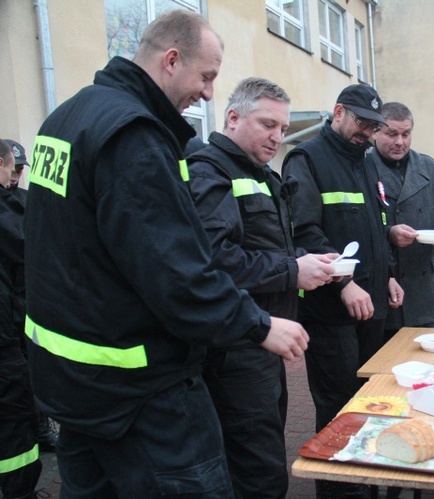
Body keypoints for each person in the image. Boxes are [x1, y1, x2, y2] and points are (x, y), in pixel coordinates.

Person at [23, 10, 308, 497]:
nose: (209, 93)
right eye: (207, 76)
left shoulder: (68, 116)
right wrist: (258, 325)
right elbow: (178, 273)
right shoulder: (135, 137)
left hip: (70, 383)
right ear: (171, 60)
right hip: (137, 391)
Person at [187, 77, 336, 499]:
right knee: (259, 470)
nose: (277, 136)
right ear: (233, 118)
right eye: (268, 124)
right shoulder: (211, 172)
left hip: (261, 342)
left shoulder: (261, 174)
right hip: (234, 348)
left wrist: (313, 260)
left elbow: (267, 245)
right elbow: (214, 260)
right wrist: (292, 270)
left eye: (284, 129)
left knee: (263, 450)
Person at [282, 83, 403, 498]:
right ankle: (338, 491)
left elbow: (376, 226)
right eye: (361, 122)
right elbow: (305, 231)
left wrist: (387, 273)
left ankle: (364, 482)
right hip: (332, 309)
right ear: (338, 113)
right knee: (337, 408)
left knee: (369, 401)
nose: (367, 132)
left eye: (373, 126)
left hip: (371, 306)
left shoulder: (367, 163)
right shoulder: (306, 159)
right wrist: (345, 283)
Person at [367, 102, 434, 341]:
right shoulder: (362, 168)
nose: (400, 141)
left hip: (426, 294)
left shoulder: (430, 168)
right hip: (383, 291)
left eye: (406, 134)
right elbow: (355, 228)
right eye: (392, 134)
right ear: (375, 132)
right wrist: (389, 233)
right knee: (387, 372)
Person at [3, 139, 59, 453]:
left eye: (21, 170)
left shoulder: (25, 199)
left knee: (32, 373)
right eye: (14, 168)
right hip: (10, 309)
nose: (16, 176)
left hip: (28, 304)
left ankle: (40, 429)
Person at [0, 140, 41, 499]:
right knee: (14, 425)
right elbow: (27, 244)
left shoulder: (16, 202)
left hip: (16, 327)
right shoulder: (8, 210)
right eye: (13, 169)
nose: (17, 177)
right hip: (6, 340)